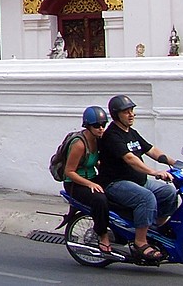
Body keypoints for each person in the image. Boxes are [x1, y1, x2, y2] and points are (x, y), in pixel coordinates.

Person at [99, 94, 178, 262]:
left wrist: (177, 163)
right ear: (116, 115)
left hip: (138, 181)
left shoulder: (131, 133)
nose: (131, 114)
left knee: (168, 192)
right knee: (146, 198)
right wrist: (153, 172)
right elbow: (130, 158)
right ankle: (140, 242)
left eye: (132, 110)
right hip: (116, 183)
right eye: (126, 112)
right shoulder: (112, 135)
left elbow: (151, 150)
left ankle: (156, 229)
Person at [64, 105, 111, 253]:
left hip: (91, 179)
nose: (101, 128)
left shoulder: (98, 140)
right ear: (88, 126)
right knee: (100, 200)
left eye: (103, 125)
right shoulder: (79, 144)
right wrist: (90, 183)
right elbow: (69, 171)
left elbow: (94, 161)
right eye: (96, 126)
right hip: (75, 184)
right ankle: (103, 235)